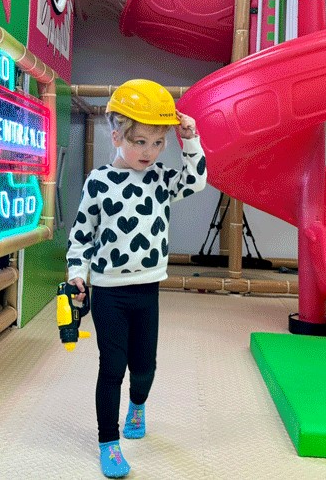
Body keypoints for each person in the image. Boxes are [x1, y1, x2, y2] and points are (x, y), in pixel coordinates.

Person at [66, 79, 207, 478]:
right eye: (140, 142)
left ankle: (139, 405)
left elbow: (194, 181)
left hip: (148, 289)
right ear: (117, 136)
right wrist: (78, 273)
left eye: (157, 143)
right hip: (109, 290)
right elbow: (81, 235)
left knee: (144, 365)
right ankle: (108, 443)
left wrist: (189, 140)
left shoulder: (161, 179)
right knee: (112, 366)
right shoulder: (98, 182)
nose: (149, 152)